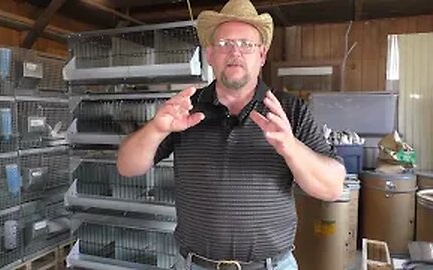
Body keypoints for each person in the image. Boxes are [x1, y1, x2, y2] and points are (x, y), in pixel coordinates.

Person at [116, 0, 346, 269]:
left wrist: (290, 146)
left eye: (246, 44)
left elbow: (332, 188)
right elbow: (126, 166)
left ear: (261, 55)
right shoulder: (184, 107)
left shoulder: (290, 110)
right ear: (210, 54)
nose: (236, 51)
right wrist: (156, 129)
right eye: (225, 44)